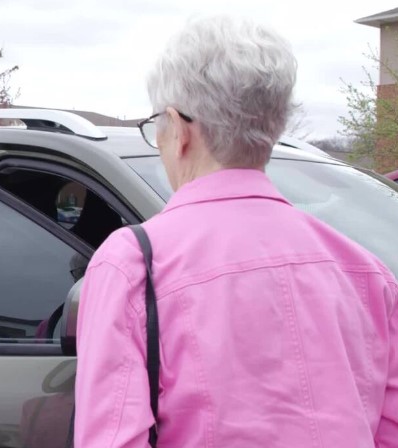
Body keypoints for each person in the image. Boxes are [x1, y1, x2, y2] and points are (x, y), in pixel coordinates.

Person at [75, 15, 397, 447]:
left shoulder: (135, 264)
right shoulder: (368, 273)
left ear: (180, 129)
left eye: (158, 125)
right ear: (274, 127)